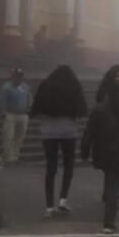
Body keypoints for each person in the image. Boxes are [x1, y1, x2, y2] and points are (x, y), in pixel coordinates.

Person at [81, 80, 119, 234]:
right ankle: (109, 218)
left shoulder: (99, 111)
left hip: (104, 153)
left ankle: (109, 220)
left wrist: (85, 150)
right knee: (114, 183)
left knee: (111, 184)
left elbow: (89, 133)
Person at [31, 65, 88, 218]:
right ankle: (63, 200)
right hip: (68, 131)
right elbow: (83, 110)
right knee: (68, 165)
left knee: (51, 167)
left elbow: (35, 108)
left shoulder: (45, 86)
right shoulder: (73, 85)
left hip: (48, 132)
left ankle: (49, 206)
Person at [95, 65, 119, 202]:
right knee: (112, 167)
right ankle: (111, 192)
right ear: (113, 77)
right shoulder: (106, 93)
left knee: (116, 167)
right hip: (107, 133)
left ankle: (111, 191)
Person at [0, 68, 31, 164]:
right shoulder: (6, 87)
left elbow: (28, 97)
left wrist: (28, 108)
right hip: (10, 114)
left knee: (20, 136)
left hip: (23, 115)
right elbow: (2, 101)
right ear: (13, 76)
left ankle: (16, 154)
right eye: (17, 76)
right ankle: (8, 156)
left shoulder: (25, 87)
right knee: (9, 135)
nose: (19, 78)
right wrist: (3, 113)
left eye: (20, 76)